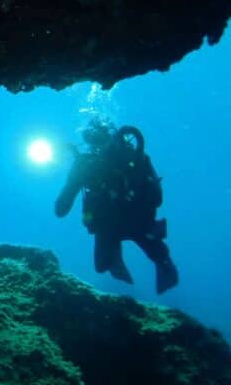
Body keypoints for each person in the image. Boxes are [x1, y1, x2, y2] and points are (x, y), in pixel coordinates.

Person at [54, 119, 179, 294]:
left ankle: (162, 265)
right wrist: (75, 177)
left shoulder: (130, 157)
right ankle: (134, 264)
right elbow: (62, 207)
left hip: (134, 219)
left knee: (155, 254)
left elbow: (61, 209)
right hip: (113, 223)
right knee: (103, 265)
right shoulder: (86, 164)